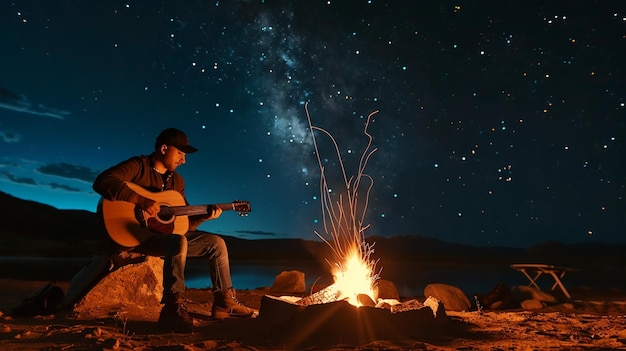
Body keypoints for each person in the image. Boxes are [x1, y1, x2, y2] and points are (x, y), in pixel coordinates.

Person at [92, 127, 256, 333]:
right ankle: (172, 308)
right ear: (163, 148)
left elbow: (181, 225)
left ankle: (224, 303)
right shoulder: (138, 166)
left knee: (216, 244)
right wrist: (140, 200)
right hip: (135, 237)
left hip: (163, 237)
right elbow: (102, 181)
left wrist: (203, 217)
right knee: (178, 241)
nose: (183, 160)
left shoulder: (177, 181)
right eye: (180, 153)